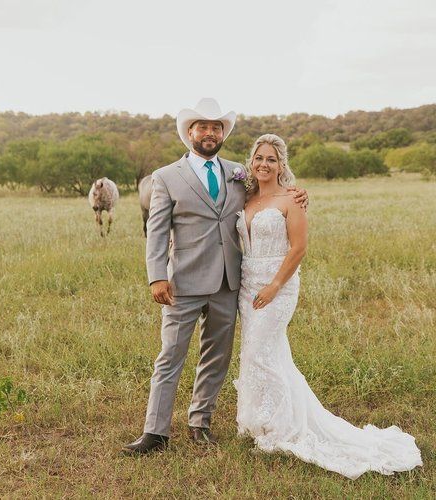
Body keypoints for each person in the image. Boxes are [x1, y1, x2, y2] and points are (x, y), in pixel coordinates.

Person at [123, 99, 307, 454]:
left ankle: (200, 422)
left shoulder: (240, 173)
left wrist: (299, 193)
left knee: (217, 357)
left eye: (216, 127)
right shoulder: (166, 177)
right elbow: (157, 232)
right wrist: (156, 277)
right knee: (170, 355)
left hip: (229, 283)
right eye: (202, 127)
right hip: (183, 284)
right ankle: (156, 432)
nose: (210, 133)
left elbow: (271, 198)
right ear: (189, 132)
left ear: (223, 133)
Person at [234, 134, 423, 478]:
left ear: (282, 165)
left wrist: (275, 286)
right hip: (247, 285)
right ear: (252, 161)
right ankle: (261, 419)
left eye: (271, 159)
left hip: (276, 285)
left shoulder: (291, 200)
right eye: (259, 158)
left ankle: (281, 427)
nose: (264, 164)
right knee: (259, 352)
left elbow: (298, 249)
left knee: (263, 351)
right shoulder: (244, 197)